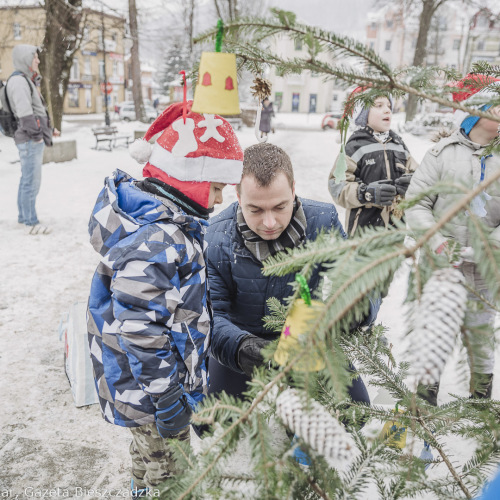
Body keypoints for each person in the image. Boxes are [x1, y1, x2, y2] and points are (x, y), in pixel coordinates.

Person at [87, 100, 244, 497]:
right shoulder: (159, 240)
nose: (221, 199)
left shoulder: (170, 229)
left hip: (148, 389)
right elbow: (140, 329)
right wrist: (170, 399)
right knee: (172, 472)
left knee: (147, 455)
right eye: (217, 186)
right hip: (153, 393)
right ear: (190, 178)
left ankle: (141, 487)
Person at [206, 142, 377, 403]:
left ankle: (295, 417)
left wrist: (360, 306)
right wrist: (240, 347)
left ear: (294, 190)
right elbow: (212, 315)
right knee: (210, 421)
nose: (270, 222)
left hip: (305, 340)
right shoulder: (216, 237)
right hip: (244, 341)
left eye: (280, 206)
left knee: (355, 410)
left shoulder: (323, 221)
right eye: (255, 210)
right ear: (238, 197)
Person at [406, 74, 500, 405]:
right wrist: (437, 243)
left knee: (481, 328)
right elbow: (416, 205)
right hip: (443, 263)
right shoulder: (442, 154)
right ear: (477, 112)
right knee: (437, 326)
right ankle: (426, 390)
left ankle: (481, 392)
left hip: (487, 267)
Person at [328, 90, 418, 237]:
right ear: (364, 115)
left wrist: (412, 183)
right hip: (363, 235)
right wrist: (366, 193)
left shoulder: (398, 144)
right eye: (379, 105)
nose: (387, 109)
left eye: (389, 105)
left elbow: (419, 174)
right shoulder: (355, 146)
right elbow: (336, 185)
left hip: (396, 234)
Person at [4, 45, 59, 235]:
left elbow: (37, 110)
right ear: (25, 59)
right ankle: (30, 221)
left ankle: (24, 217)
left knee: (27, 179)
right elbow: (26, 114)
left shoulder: (26, 80)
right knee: (31, 181)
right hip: (29, 139)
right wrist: (37, 136)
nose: (38, 60)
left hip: (30, 138)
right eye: (35, 57)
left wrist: (49, 130)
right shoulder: (19, 82)